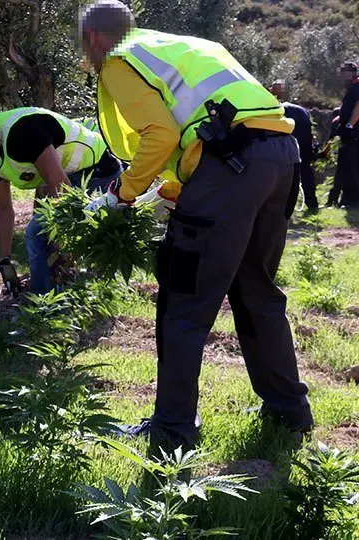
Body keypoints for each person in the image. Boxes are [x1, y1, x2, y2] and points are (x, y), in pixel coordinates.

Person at [80, 0, 314, 452]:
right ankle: (289, 412)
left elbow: (160, 135)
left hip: (230, 163)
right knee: (257, 290)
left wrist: (121, 194)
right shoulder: (184, 47)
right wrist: (175, 188)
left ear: (94, 38)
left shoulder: (118, 60)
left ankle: (172, 432)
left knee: (182, 299)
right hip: (279, 157)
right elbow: (200, 127)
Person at [0, 105, 123, 295]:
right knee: (42, 234)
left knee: (40, 233)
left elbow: (60, 186)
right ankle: (52, 296)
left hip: (101, 172)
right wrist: (4, 260)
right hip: (74, 177)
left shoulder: (21, 130)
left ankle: (49, 302)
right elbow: (3, 209)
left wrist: (61, 244)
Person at [269, 80, 319, 212]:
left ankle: (285, 207)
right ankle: (312, 203)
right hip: (304, 142)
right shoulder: (301, 110)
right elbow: (310, 133)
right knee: (306, 170)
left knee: (287, 172)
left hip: (287, 146)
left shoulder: (276, 109)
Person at [328, 63, 359, 208]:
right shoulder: (351, 88)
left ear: (351, 72)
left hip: (354, 133)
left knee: (352, 166)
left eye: (343, 72)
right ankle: (345, 199)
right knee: (346, 166)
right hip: (349, 133)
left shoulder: (357, 87)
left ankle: (353, 201)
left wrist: (349, 125)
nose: (341, 75)